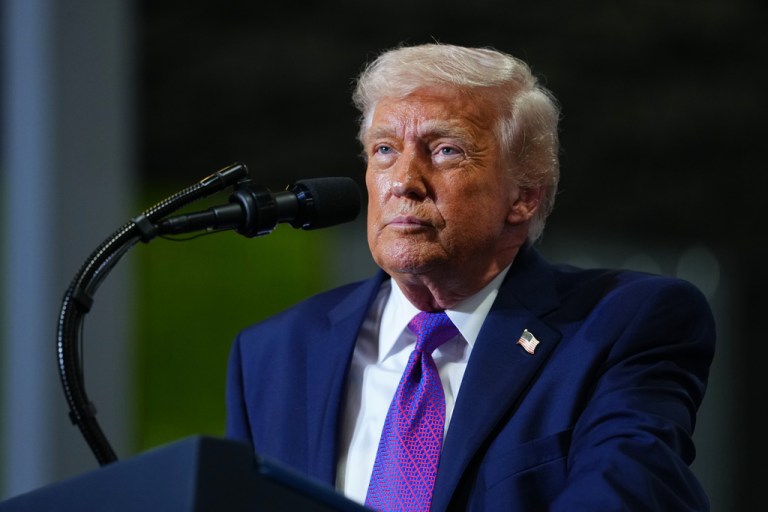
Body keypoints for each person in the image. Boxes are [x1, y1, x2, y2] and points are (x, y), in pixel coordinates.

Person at [226, 43, 715, 511]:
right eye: (384, 150)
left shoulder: (620, 326)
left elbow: (625, 492)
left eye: (445, 151)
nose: (403, 181)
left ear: (523, 196)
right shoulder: (275, 353)